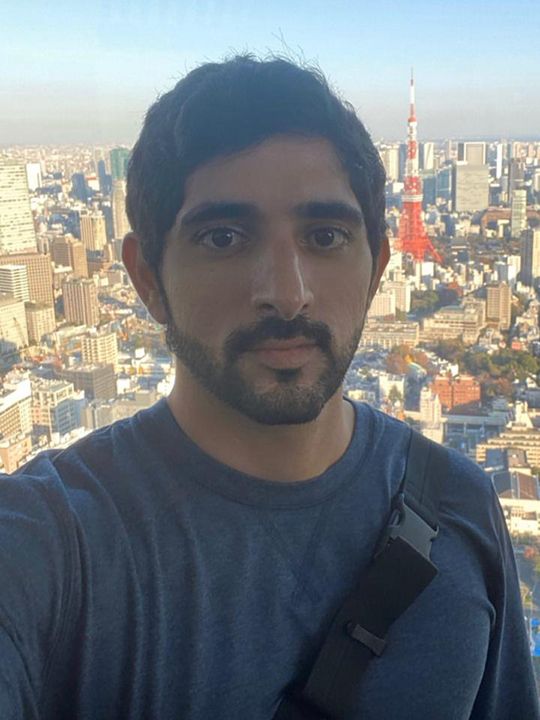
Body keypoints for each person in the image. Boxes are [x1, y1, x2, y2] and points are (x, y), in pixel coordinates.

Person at [0, 56, 537, 720]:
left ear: (376, 271)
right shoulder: (51, 545)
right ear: (147, 279)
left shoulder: (462, 509)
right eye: (223, 237)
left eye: (325, 236)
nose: (286, 292)